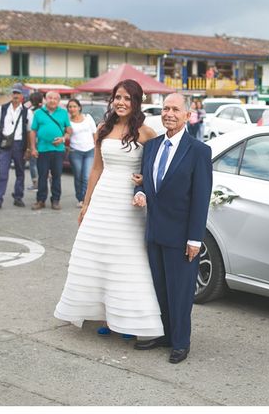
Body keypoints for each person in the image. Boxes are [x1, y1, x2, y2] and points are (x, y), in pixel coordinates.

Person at [54, 79, 163, 340]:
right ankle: (105, 315)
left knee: (127, 259)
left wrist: (144, 183)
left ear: (136, 102)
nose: (122, 102)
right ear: (112, 100)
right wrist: (86, 203)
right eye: (118, 97)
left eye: (127, 98)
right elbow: (96, 169)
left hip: (129, 204)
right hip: (103, 199)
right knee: (99, 256)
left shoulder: (147, 133)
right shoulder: (103, 128)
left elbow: (155, 170)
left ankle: (128, 319)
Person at [131, 93, 212, 364]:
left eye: (175, 109)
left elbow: (201, 198)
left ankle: (180, 342)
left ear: (187, 115)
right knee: (160, 288)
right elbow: (146, 181)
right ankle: (164, 334)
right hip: (155, 231)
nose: (169, 113)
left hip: (181, 236)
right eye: (165, 108)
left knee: (180, 291)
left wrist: (195, 239)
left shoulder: (199, 151)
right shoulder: (151, 146)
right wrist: (140, 191)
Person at [0, 84, 31, 211]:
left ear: (22, 96)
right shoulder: (2, 109)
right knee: (2, 173)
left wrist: (29, 148)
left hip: (20, 144)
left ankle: (18, 197)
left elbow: (29, 132)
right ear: (11, 95)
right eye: (14, 93)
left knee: (20, 172)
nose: (15, 96)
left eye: (18, 93)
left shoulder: (27, 112)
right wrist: (0, 142)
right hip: (5, 144)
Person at [29, 91, 72, 210]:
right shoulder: (38, 113)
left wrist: (63, 139)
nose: (52, 100)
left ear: (58, 101)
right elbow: (33, 131)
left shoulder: (63, 113)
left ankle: (56, 200)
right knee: (42, 175)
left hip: (58, 150)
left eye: (55, 99)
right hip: (42, 150)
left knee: (56, 176)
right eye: (50, 98)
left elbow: (69, 131)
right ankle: (41, 200)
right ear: (45, 99)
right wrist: (33, 148)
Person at [66, 98, 97, 208]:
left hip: (90, 150)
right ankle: (79, 197)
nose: (72, 109)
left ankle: (85, 199)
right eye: (70, 107)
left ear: (79, 107)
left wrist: (97, 148)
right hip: (75, 151)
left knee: (86, 176)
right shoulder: (67, 121)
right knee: (78, 176)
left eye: (74, 106)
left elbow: (94, 133)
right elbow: (66, 136)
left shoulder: (88, 118)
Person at [26, 90, 44, 191]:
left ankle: (35, 183)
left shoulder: (29, 110)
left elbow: (24, 105)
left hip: (32, 137)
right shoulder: (44, 110)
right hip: (42, 138)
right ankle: (47, 180)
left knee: (33, 162)